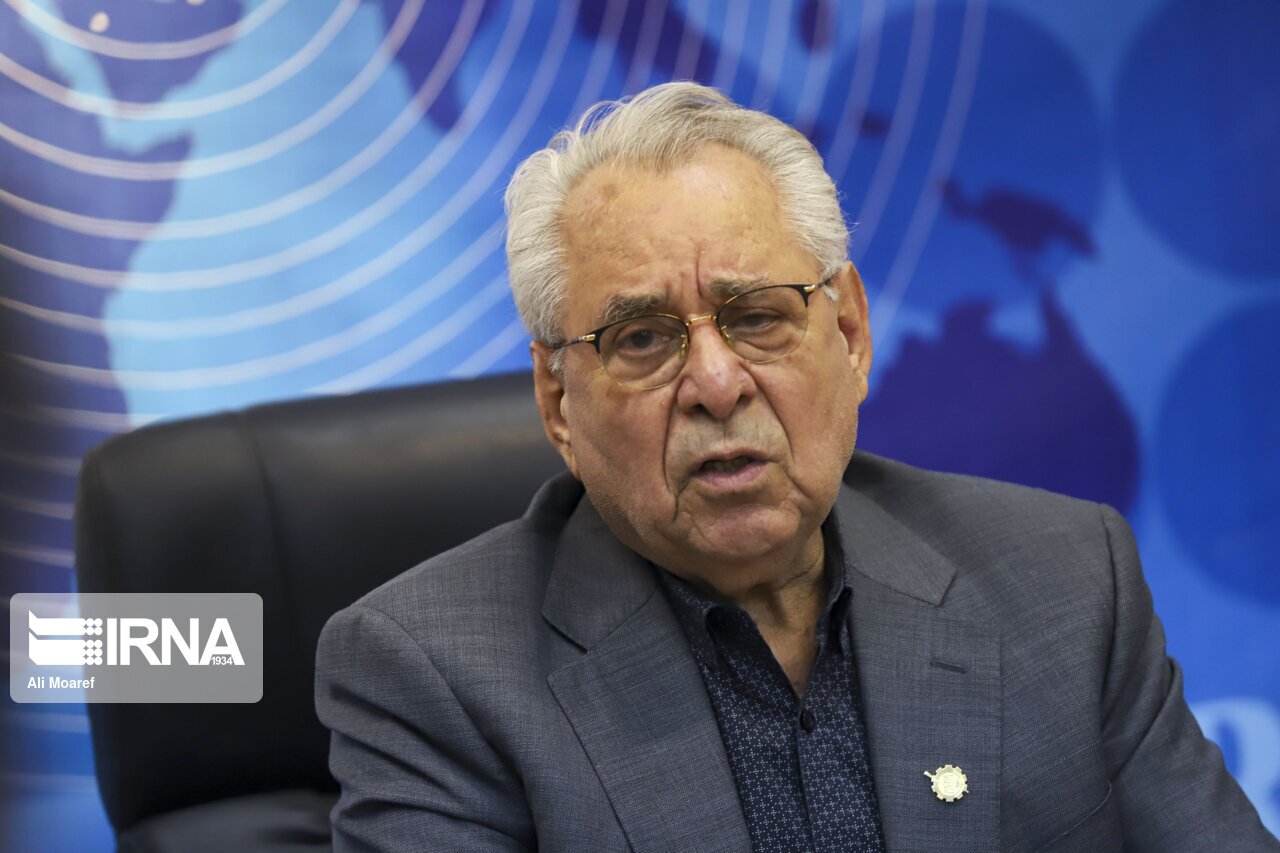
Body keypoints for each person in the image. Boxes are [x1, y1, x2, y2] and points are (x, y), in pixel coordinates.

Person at [314, 83, 1277, 852]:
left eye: (758, 316)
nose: (716, 382)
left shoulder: (1065, 581)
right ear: (560, 400)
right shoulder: (434, 674)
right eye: (642, 338)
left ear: (849, 334)